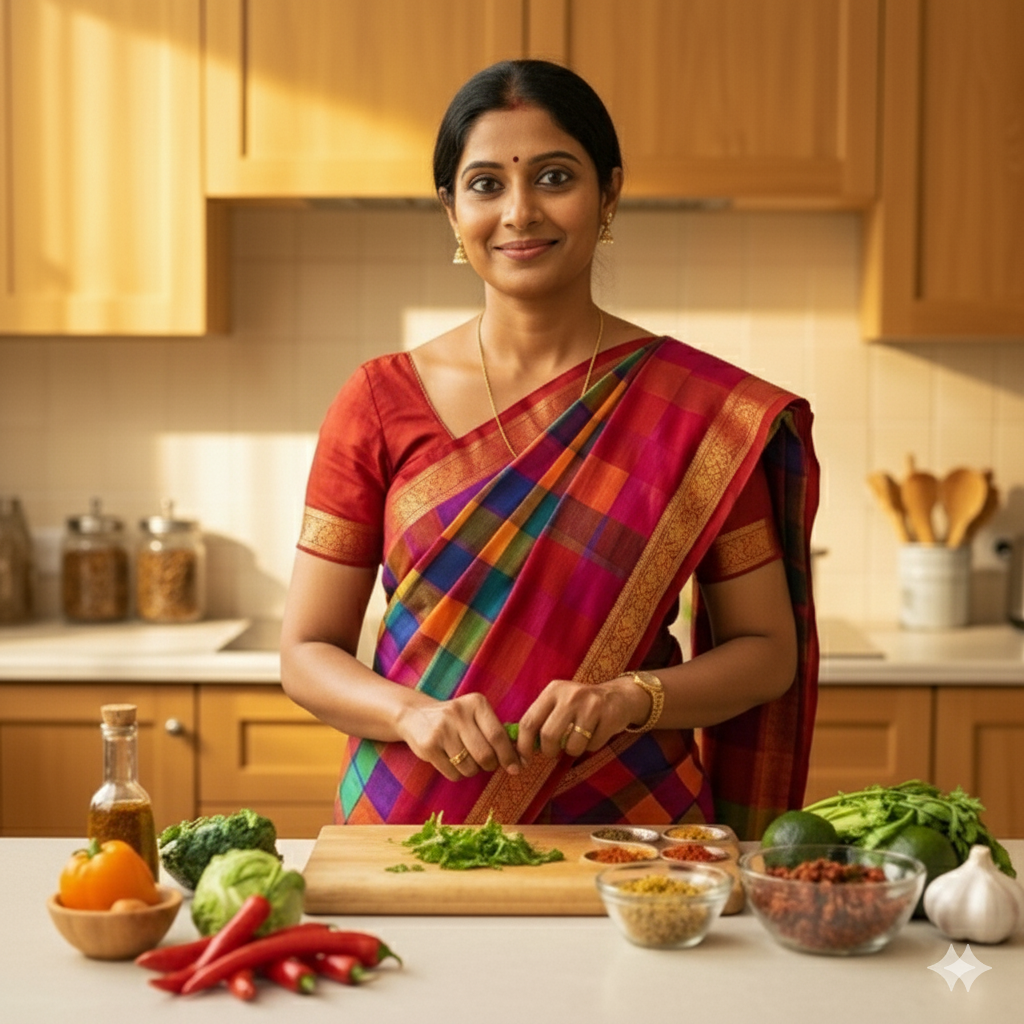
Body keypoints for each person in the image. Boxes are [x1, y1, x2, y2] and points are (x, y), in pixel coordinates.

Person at [280, 59, 819, 840]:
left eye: (555, 176)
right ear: (451, 209)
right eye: (487, 183)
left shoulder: (696, 413)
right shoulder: (377, 402)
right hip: (412, 825)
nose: (520, 211)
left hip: (634, 832)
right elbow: (305, 652)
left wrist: (634, 697)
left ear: (609, 193)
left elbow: (767, 652)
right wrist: (411, 714)